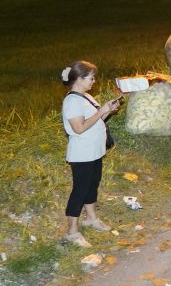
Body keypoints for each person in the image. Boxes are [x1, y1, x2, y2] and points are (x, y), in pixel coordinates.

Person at [61, 61, 121, 248]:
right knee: (80, 190)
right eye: (91, 78)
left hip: (94, 150)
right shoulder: (72, 101)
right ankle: (72, 231)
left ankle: (91, 219)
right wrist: (101, 111)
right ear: (78, 79)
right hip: (82, 154)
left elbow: (95, 121)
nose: (94, 81)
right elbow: (79, 128)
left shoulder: (85, 96)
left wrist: (107, 111)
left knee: (92, 184)